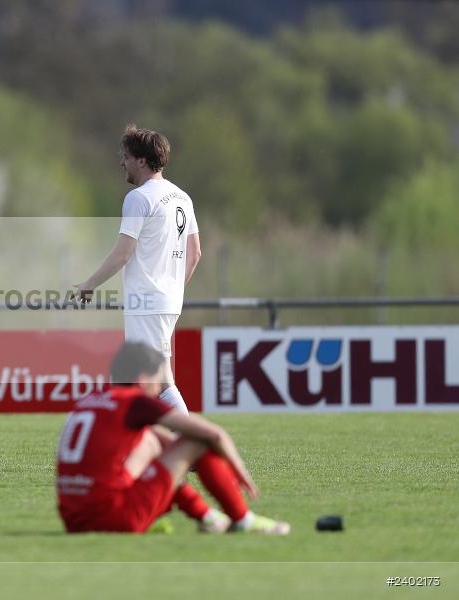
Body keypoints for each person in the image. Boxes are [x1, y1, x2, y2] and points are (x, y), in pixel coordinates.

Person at [56, 341, 290, 534]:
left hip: (74, 521)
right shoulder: (135, 402)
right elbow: (215, 435)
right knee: (197, 440)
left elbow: (163, 447)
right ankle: (243, 519)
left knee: (151, 441)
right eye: (158, 381)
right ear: (142, 380)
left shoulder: (91, 399)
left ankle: (207, 518)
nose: (159, 388)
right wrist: (241, 473)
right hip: (115, 519)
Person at [74, 125, 200, 414]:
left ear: (141, 161)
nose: (122, 162)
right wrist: (172, 290)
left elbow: (122, 254)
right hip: (166, 300)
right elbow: (196, 254)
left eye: (127, 156)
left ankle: (192, 444)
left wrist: (89, 284)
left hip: (147, 300)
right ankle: (138, 446)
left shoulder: (139, 198)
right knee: (137, 379)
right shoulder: (182, 197)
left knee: (159, 381)